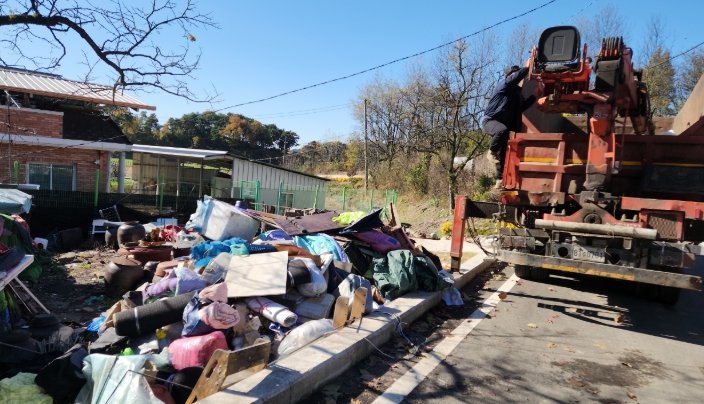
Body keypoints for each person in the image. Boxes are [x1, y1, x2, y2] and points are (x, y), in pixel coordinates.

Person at [483, 60, 543, 189]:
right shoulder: (503, 85)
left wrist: (534, 96)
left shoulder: (517, 94)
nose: (518, 78)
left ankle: (500, 180)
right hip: (491, 121)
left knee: (504, 154)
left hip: (503, 126)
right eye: (514, 74)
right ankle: (491, 152)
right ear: (508, 76)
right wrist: (526, 68)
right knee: (502, 131)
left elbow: (522, 107)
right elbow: (515, 78)